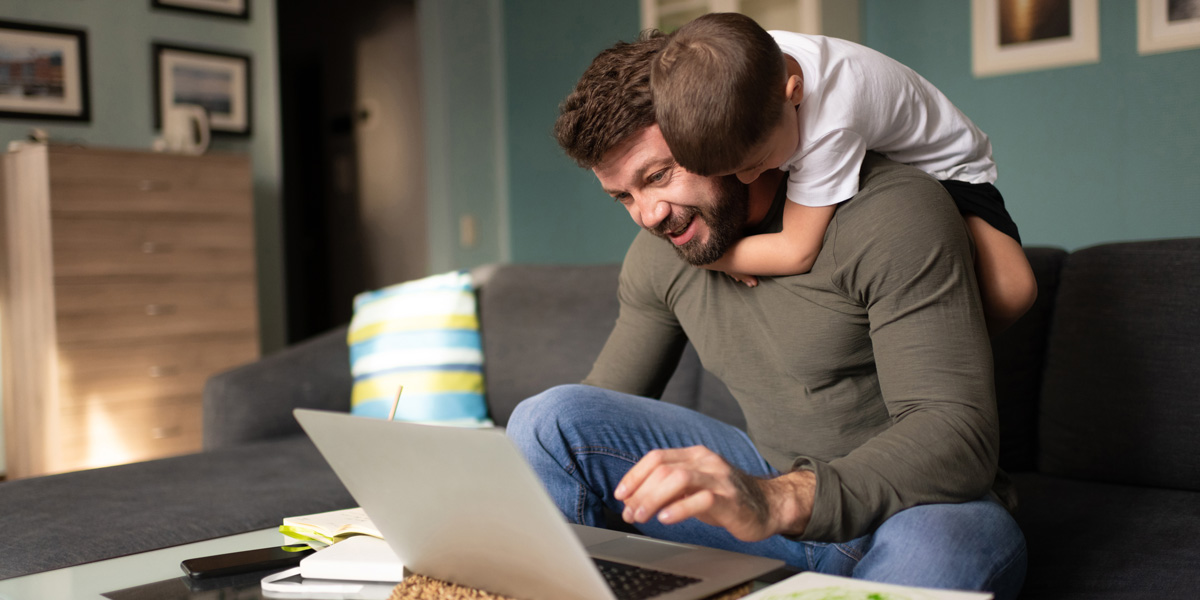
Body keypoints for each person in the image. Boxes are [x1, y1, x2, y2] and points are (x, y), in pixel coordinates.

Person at [505, 30, 1028, 599]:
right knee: (548, 420)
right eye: (623, 196)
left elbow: (958, 435)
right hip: (766, 495)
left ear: (715, 131)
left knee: (941, 549)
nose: (649, 215)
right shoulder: (666, 252)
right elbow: (591, 421)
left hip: (912, 510)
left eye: (658, 175)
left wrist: (778, 498)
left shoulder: (892, 212)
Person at [650, 13, 1036, 334]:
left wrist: (709, 258)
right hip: (878, 145)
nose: (748, 181)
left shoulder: (830, 125)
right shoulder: (744, 60)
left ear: (794, 93)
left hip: (950, 167)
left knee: (1013, 292)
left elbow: (797, 251)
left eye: (755, 164)